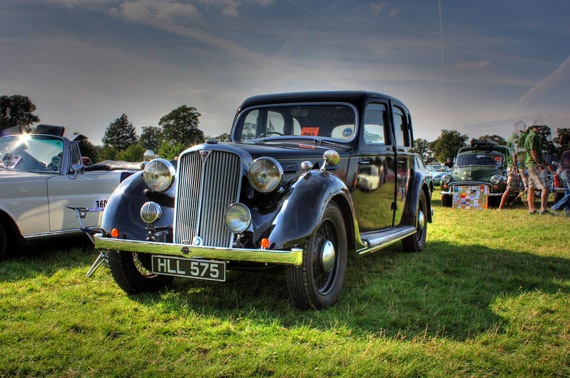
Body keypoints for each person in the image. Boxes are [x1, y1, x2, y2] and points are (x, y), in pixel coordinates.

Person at [524, 123, 553, 214]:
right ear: (535, 127)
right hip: (534, 164)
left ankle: (531, 209)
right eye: (540, 127)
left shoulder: (529, 135)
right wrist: (539, 164)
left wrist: (546, 163)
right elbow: (533, 151)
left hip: (530, 164)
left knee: (531, 187)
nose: (541, 130)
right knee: (546, 185)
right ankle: (543, 209)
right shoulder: (533, 136)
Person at [498, 133, 519, 210]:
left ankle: (510, 203)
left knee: (514, 188)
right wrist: (516, 167)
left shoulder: (510, 139)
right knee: (509, 188)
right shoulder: (514, 139)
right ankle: (501, 207)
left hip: (510, 166)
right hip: (512, 167)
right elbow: (514, 155)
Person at [551, 150, 570, 216]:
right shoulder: (568, 153)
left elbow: (560, 164)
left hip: (563, 173)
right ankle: (556, 207)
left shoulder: (565, 152)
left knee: (567, 193)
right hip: (568, 173)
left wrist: (558, 173)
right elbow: (567, 163)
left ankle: (567, 211)